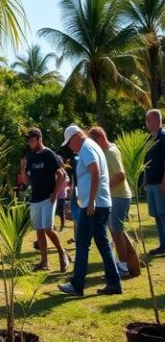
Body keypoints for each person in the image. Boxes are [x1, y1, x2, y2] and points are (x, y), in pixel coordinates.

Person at [58, 125, 122, 296]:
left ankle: (77, 285)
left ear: (77, 136)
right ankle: (114, 283)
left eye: (70, 142)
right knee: (102, 243)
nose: (70, 147)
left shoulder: (86, 148)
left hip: (94, 205)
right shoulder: (91, 147)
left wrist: (91, 201)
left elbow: (95, 172)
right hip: (100, 203)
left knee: (82, 243)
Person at [20, 128, 70, 272]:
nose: (30, 144)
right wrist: (23, 170)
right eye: (28, 141)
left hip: (48, 198)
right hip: (35, 198)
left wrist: (55, 193)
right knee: (39, 230)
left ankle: (62, 253)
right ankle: (44, 262)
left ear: (39, 139)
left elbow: (61, 174)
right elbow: (26, 181)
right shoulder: (30, 157)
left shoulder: (49, 154)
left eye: (32, 141)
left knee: (48, 228)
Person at [89, 126, 134, 276]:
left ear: (101, 138)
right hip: (114, 196)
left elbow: (121, 175)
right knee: (116, 232)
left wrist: (104, 188)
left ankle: (123, 266)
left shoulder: (111, 152)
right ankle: (124, 261)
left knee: (116, 231)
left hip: (119, 196)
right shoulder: (107, 150)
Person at [145, 109, 165, 256]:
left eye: (149, 119)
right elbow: (146, 162)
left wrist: (164, 181)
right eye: (146, 120)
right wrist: (145, 179)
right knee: (157, 216)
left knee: (163, 215)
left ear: (158, 120)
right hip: (151, 183)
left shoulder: (163, 137)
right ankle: (162, 245)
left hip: (160, 183)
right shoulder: (149, 139)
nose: (147, 123)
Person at [55, 168, 69, 233]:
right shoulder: (64, 173)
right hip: (59, 195)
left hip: (61, 196)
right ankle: (56, 227)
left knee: (61, 212)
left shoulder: (62, 173)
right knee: (58, 212)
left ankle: (62, 227)